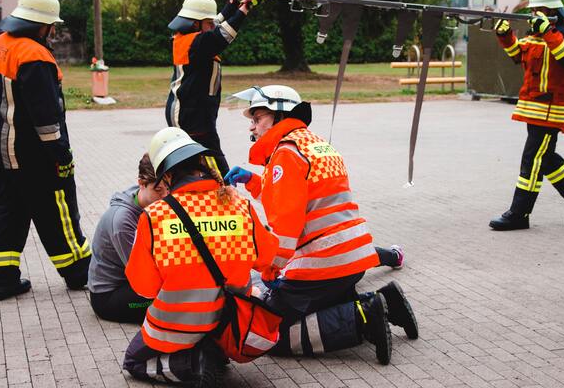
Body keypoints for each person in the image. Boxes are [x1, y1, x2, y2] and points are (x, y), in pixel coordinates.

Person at [225, 85, 418, 365]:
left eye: (257, 118)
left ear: (280, 115)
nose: (252, 128)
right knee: (315, 304)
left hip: (323, 264)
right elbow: (306, 197)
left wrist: (270, 270)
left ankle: (362, 320)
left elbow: (285, 232)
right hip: (353, 260)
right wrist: (254, 181)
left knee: (266, 334)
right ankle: (386, 301)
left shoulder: (285, 155)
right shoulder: (312, 143)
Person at [122, 127, 279, 385]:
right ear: (202, 164)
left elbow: (144, 288)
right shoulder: (239, 205)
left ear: (167, 175)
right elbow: (265, 258)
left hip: (176, 325)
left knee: (134, 361)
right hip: (228, 323)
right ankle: (213, 351)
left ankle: (194, 364)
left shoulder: (155, 216)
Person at [0, 0, 91, 301]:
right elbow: (46, 119)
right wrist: (62, 156)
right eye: (51, 26)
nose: (53, 31)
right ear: (41, 26)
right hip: (33, 156)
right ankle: (80, 271)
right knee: (58, 209)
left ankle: (1, 279)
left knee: (8, 210)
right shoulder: (35, 56)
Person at [489, 0, 564, 231]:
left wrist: (548, 31)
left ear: (550, 10)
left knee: (532, 160)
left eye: (538, 10)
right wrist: (505, 35)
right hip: (533, 109)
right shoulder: (534, 34)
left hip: (550, 111)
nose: (533, 13)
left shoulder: (563, 34)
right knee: (546, 160)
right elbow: (518, 55)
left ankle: (519, 213)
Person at [165, 0, 263, 177]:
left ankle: (200, 190)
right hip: (192, 116)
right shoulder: (197, 43)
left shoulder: (190, 37)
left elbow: (216, 23)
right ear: (196, 24)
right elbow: (222, 34)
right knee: (214, 164)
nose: (213, 25)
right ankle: (226, 192)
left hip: (192, 112)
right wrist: (245, 7)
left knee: (194, 163)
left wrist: (234, 2)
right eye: (208, 23)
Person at [88, 153, 167, 323]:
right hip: (109, 296)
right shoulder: (122, 222)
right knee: (176, 301)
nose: (164, 196)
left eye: (168, 189)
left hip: (130, 283)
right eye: (158, 190)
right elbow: (141, 273)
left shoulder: (146, 202)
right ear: (141, 184)